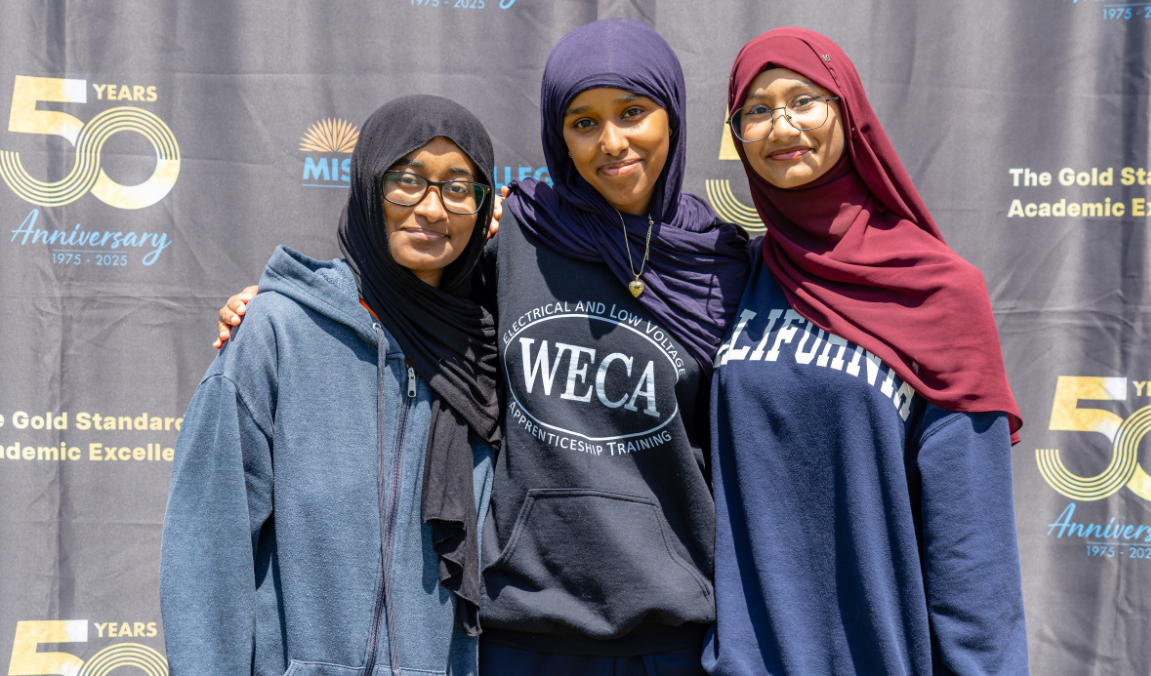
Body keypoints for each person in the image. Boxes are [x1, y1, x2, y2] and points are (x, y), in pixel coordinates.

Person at [213, 19, 750, 676]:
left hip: (672, 631)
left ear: (673, 115)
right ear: (558, 132)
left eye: (633, 112)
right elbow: (410, 287)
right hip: (521, 630)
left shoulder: (722, 267)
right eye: (584, 122)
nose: (612, 141)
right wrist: (286, 299)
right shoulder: (522, 236)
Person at [703, 28, 1029, 676]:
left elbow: (973, 548)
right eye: (757, 111)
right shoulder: (738, 273)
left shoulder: (939, 290)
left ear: (848, 111)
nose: (781, 125)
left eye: (804, 100)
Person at [160, 95, 503, 676]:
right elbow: (206, 551)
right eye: (408, 181)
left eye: (457, 187)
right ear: (369, 186)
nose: (431, 208)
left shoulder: (488, 353)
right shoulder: (279, 331)